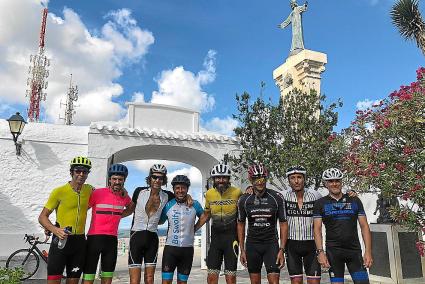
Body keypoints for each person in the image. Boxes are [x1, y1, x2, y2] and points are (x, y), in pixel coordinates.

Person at [126, 164, 192, 284]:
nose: (157, 180)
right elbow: (130, 209)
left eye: (160, 178)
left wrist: (188, 196)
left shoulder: (167, 195)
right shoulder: (139, 191)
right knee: (135, 280)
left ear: (164, 180)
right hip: (136, 236)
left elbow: (180, 195)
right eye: (154, 177)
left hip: (152, 237)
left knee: (150, 278)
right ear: (150, 178)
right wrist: (114, 216)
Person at [38, 156, 94, 284]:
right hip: (61, 241)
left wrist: (122, 191)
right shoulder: (59, 191)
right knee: (53, 280)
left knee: (73, 281)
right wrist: (54, 229)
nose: (81, 174)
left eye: (84, 172)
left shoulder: (90, 190)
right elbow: (42, 217)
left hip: (79, 242)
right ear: (71, 172)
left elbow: (103, 196)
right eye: (77, 171)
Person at [313, 168, 373, 284]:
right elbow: (317, 229)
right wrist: (320, 252)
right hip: (334, 253)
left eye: (337, 181)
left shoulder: (354, 200)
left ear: (341, 182)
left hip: (354, 252)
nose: (334, 184)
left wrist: (368, 252)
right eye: (330, 181)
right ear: (325, 184)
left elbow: (364, 226)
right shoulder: (320, 203)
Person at [82, 163, 133, 284]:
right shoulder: (97, 193)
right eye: (114, 179)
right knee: (89, 274)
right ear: (109, 180)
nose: (117, 182)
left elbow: (131, 208)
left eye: (120, 179)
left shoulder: (124, 197)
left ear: (124, 180)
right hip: (94, 238)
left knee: (108, 274)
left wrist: (119, 215)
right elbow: (83, 211)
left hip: (112, 239)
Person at [237, 164, 288, 284]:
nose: (260, 182)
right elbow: (240, 225)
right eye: (256, 179)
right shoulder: (244, 200)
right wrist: (242, 250)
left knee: (274, 282)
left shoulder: (277, 197)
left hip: (271, 245)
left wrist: (282, 249)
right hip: (252, 245)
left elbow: (283, 224)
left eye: (262, 178)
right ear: (251, 180)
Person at [160, 175, 209, 284]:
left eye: (183, 188)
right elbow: (160, 221)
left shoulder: (194, 204)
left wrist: (194, 229)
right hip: (170, 250)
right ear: (173, 189)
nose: (180, 191)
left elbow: (204, 216)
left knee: (182, 283)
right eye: (177, 188)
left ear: (187, 189)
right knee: (166, 282)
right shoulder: (168, 205)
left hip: (187, 251)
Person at [204, 163, 242, 284]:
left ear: (228, 179)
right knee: (211, 277)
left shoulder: (237, 192)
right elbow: (206, 214)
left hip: (231, 239)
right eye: (218, 177)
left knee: (230, 278)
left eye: (224, 177)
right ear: (214, 179)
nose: (221, 180)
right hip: (216, 240)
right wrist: (193, 229)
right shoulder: (209, 194)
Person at [282, 166, 322, 284]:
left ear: (304, 178)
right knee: (296, 282)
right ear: (288, 180)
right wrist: (250, 189)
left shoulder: (316, 195)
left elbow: (331, 197)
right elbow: (266, 194)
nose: (296, 181)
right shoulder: (282, 196)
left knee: (314, 282)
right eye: (292, 178)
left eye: (299, 177)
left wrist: (350, 193)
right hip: (291, 245)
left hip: (311, 244)